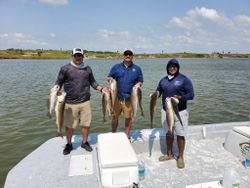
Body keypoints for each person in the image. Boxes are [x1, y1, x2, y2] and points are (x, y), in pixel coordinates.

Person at [55, 48, 109, 155]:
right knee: (69, 126)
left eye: (80, 55)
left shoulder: (87, 69)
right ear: (72, 56)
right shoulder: (65, 68)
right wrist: (57, 89)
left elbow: (93, 83)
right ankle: (69, 144)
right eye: (76, 55)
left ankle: (84, 142)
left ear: (83, 56)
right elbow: (58, 82)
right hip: (70, 103)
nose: (78, 57)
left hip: (85, 102)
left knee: (85, 124)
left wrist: (101, 89)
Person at [156, 58, 194, 169]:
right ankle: (169, 154)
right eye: (170, 66)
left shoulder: (184, 79)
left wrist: (181, 98)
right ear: (167, 67)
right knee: (169, 133)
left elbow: (191, 95)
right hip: (166, 112)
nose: (172, 68)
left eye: (175, 66)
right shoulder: (163, 80)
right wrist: (155, 94)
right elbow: (159, 90)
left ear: (177, 68)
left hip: (180, 112)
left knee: (181, 135)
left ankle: (181, 157)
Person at [107, 49, 143, 139]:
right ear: (123, 56)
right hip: (117, 98)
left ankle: (127, 135)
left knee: (128, 118)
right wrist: (110, 79)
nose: (128, 56)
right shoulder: (116, 67)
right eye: (126, 54)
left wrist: (139, 84)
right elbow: (109, 76)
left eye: (130, 54)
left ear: (132, 56)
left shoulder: (137, 69)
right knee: (115, 118)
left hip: (129, 98)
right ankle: (114, 134)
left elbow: (140, 81)